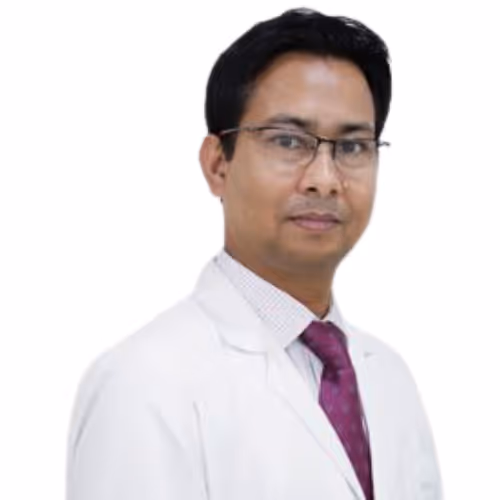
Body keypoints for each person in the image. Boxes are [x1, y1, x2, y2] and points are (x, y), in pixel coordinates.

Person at [66, 8, 442, 500]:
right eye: (288, 141)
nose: (324, 179)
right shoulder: (142, 384)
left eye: (352, 147)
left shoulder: (389, 377)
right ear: (217, 165)